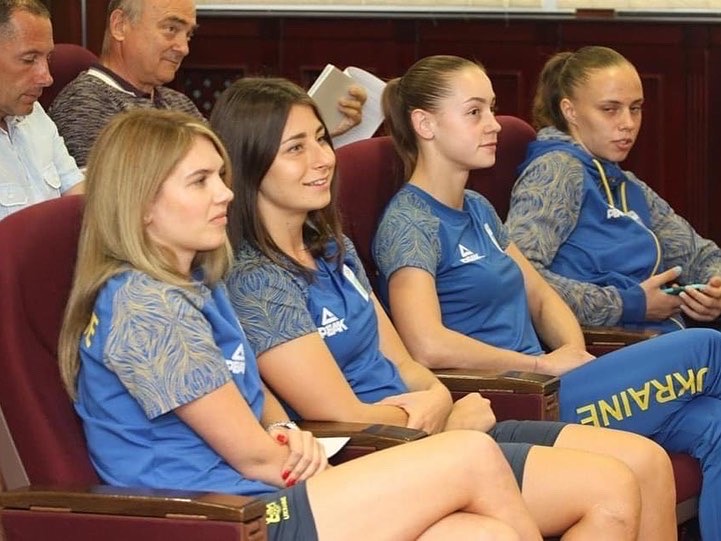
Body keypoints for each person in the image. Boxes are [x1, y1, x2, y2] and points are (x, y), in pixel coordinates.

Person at [212, 76, 672, 540]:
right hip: (379, 450)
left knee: (636, 469)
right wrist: (439, 415)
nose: (322, 159)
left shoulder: (335, 247)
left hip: (428, 427)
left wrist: (437, 399)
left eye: (320, 139)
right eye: (296, 148)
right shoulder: (257, 280)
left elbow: (406, 363)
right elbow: (342, 413)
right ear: (251, 164)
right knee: (595, 496)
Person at [57, 107, 548, 541]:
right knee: (472, 456)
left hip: (260, 494)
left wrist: (283, 428)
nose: (225, 193)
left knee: (484, 533)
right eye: (200, 181)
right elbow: (254, 457)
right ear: (143, 204)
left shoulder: (197, 277)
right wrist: (355, 473)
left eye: (221, 176)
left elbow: (254, 396)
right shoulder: (145, 306)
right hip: (223, 519)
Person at [373, 54, 721, 540]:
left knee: (715, 423)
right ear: (425, 124)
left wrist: (572, 350)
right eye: (475, 112)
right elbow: (426, 344)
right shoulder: (410, 222)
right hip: (512, 399)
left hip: (554, 384)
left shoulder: (477, 207)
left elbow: (540, 295)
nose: (495, 124)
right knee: (708, 349)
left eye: (491, 108)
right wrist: (539, 366)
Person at [506, 45, 721, 334]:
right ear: (570, 111)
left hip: (664, 338)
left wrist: (715, 289)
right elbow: (518, 275)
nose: (628, 124)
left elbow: (699, 255)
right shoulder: (557, 170)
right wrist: (629, 304)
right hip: (605, 346)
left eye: (635, 108)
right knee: (708, 344)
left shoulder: (624, 183)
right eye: (610, 110)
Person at [49, 0, 367, 169]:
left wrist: (312, 134)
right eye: (171, 29)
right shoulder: (84, 106)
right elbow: (115, 211)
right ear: (120, 25)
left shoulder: (177, 102)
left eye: (188, 34)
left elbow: (229, 168)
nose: (183, 47)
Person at [0, 0, 83, 220]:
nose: (47, 78)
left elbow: (78, 194)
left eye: (48, 58)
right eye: (29, 60)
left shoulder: (34, 114)